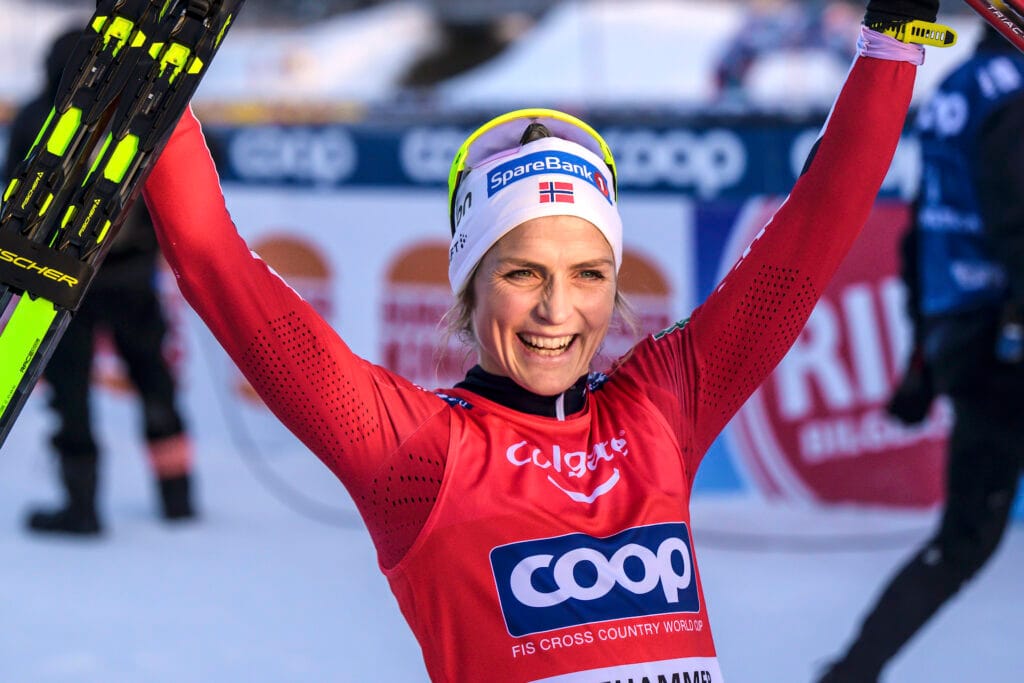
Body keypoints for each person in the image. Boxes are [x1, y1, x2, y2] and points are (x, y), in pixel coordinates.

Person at [140, 1, 941, 679]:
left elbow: (815, 228)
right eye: (523, 272)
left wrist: (894, 38)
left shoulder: (659, 413)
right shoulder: (418, 456)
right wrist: (153, 76)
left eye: (589, 273)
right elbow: (221, 269)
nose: (558, 311)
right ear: (470, 283)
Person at [817, 20, 1024, 683]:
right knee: (965, 539)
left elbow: (920, 238)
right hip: (1004, 341)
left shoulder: (959, 88)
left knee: (962, 541)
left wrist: (925, 359)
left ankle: (849, 673)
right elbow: (1015, 220)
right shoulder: (1013, 87)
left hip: (970, 340)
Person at [4, 29, 198, 536]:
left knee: (70, 394)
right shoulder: (144, 118)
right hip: (132, 273)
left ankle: (81, 508)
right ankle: (177, 500)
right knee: (154, 381)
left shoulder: (37, 118)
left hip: (59, 279)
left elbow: (14, 208)